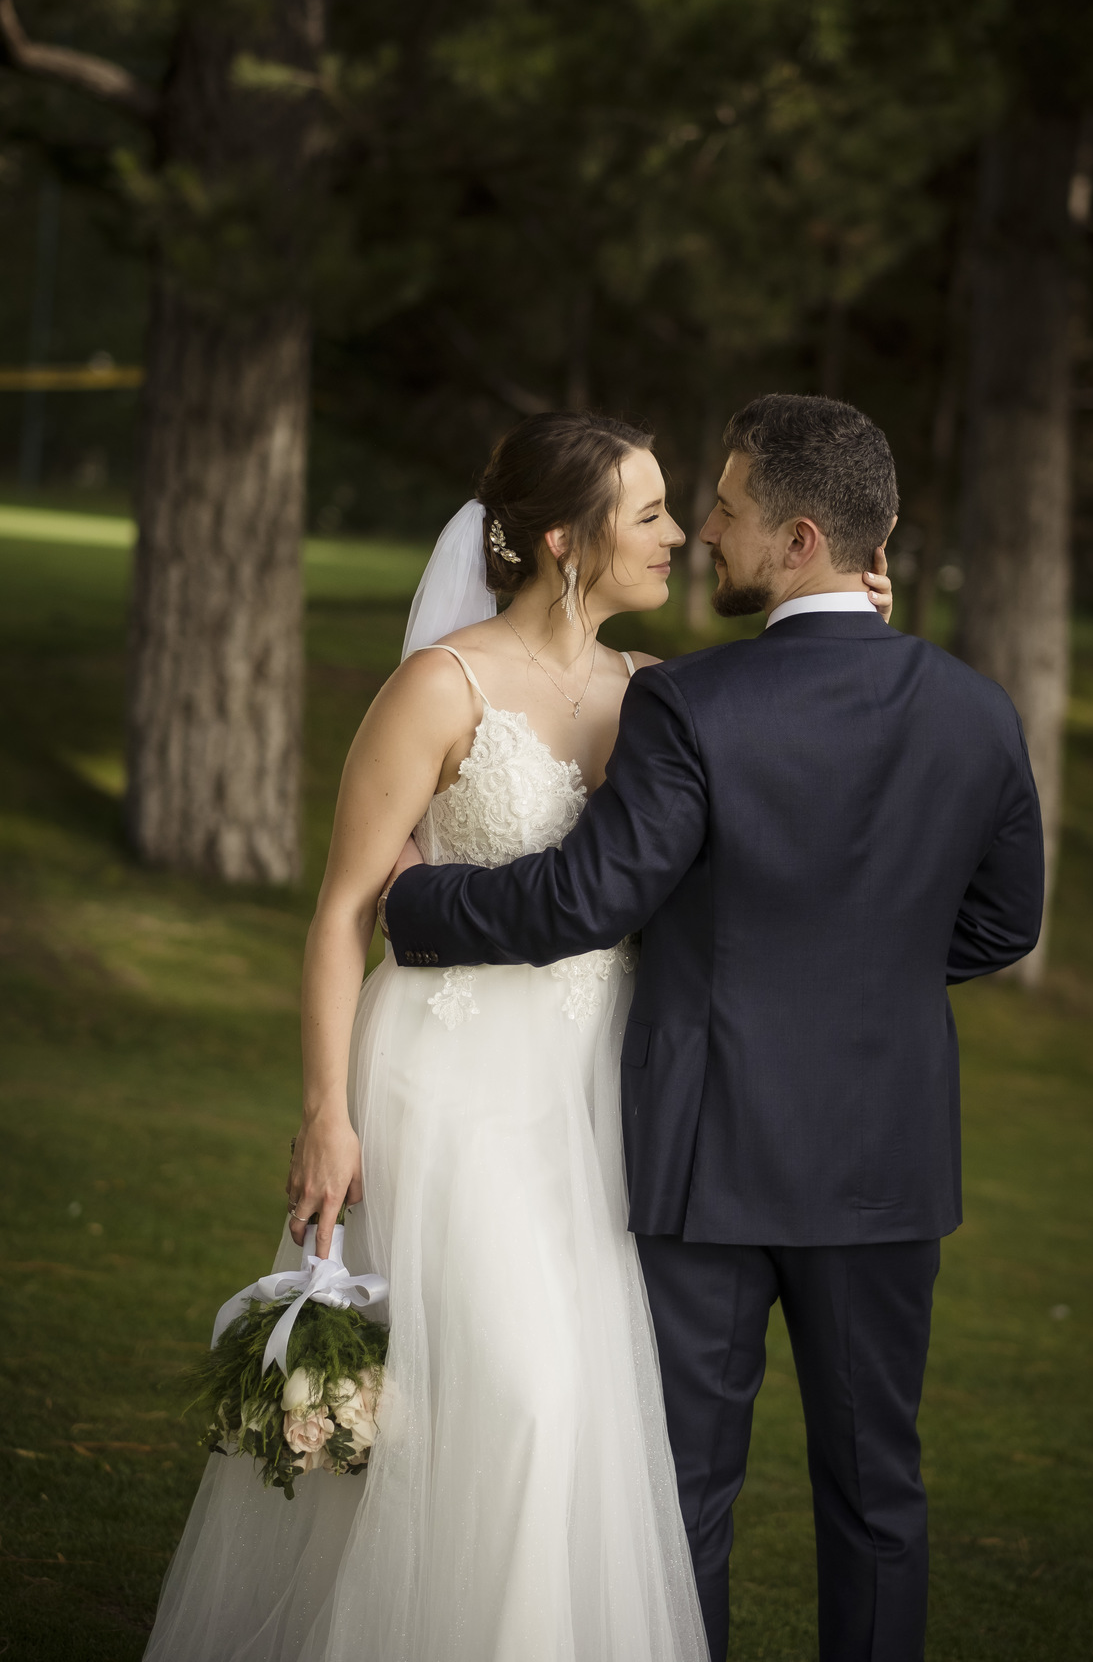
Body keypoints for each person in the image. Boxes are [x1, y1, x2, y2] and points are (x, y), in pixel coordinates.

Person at [143, 405, 895, 1662]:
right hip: (449, 1085)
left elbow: (792, 754)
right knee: (521, 1401)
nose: (682, 535)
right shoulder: (443, 685)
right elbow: (341, 914)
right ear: (564, 539)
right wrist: (325, 1112)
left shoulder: (662, 695)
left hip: (598, 1095)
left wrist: (861, 631)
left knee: (578, 1416)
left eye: (681, 510)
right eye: (652, 512)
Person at [385, 393, 1045, 1662]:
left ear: (802, 541)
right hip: (884, 1165)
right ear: (881, 539)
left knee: (686, 1495)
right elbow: (1002, 927)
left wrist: (418, 902)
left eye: (730, 513)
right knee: (879, 1495)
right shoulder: (978, 711)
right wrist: (875, 979)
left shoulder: (697, 706)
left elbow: (588, 898)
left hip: (708, 1162)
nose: (704, 536)